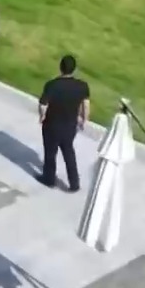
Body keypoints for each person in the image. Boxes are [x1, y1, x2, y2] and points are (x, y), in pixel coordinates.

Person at [38, 55, 91, 192]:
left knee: (50, 152)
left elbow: (43, 105)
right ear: (74, 69)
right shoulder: (82, 86)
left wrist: (42, 116)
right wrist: (84, 120)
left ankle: (49, 179)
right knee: (69, 153)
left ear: (60, 67)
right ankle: (74, 183)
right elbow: (85, 105)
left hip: (52, 125)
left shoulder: (52, 85)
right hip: (70, 125)